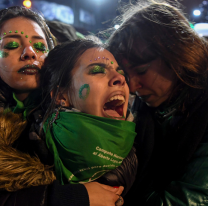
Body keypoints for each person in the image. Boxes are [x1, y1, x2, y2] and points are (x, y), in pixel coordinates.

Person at [0, 6, 124, 206]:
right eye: (12, 45)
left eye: (40, 47)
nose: (29, 53)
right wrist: (64, 197)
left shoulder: (83, 105)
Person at [107, 1, 208, 205]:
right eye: (126, 75)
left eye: (142, 70)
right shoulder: (146, 109)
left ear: (177, 56)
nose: (133, 87)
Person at [39, 39, 136, 195]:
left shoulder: (138, 157)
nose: (120, 78)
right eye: (97, 70)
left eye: (121, 72)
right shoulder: (24, 151)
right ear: (61, 95)